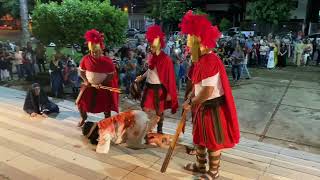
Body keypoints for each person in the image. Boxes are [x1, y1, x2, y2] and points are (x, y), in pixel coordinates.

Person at [180, 11, 240, 179]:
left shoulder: (210, 61)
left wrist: (191, 103)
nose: (187, 45)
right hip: (202, 106)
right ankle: (200, 166)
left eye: (190, 41)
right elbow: (197, 86)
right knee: (199, 138)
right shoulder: (199, 61)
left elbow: (207, 92)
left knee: (213, 142)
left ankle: (213, 172)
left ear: (199, 42)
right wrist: (190, 96)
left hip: (213, 108)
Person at [135, 25, 178, 134]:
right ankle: (144, 129)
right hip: (148, 87)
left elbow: (170, 77)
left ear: (158, 45)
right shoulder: (151, 57)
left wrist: (169, 92)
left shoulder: (166, 59)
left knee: (160, 111)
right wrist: (141, 77)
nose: (150, 48)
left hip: (159, 89)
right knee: (145, 108)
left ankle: (159, 130)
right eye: (150, 45)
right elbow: (150, 70)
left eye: (152, 46)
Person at [77, 29, 119, 127]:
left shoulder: (108, 61)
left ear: (101, 49)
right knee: (80, 103)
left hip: (103, 86)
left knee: (106, 107)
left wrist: (102, 83)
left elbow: (111, 75)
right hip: (89, 86)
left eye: (97, 52)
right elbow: (81, 72)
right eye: (93, 52)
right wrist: (86, 81)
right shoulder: (85, 59)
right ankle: (83, 118)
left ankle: (107, 123)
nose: (95, 54)